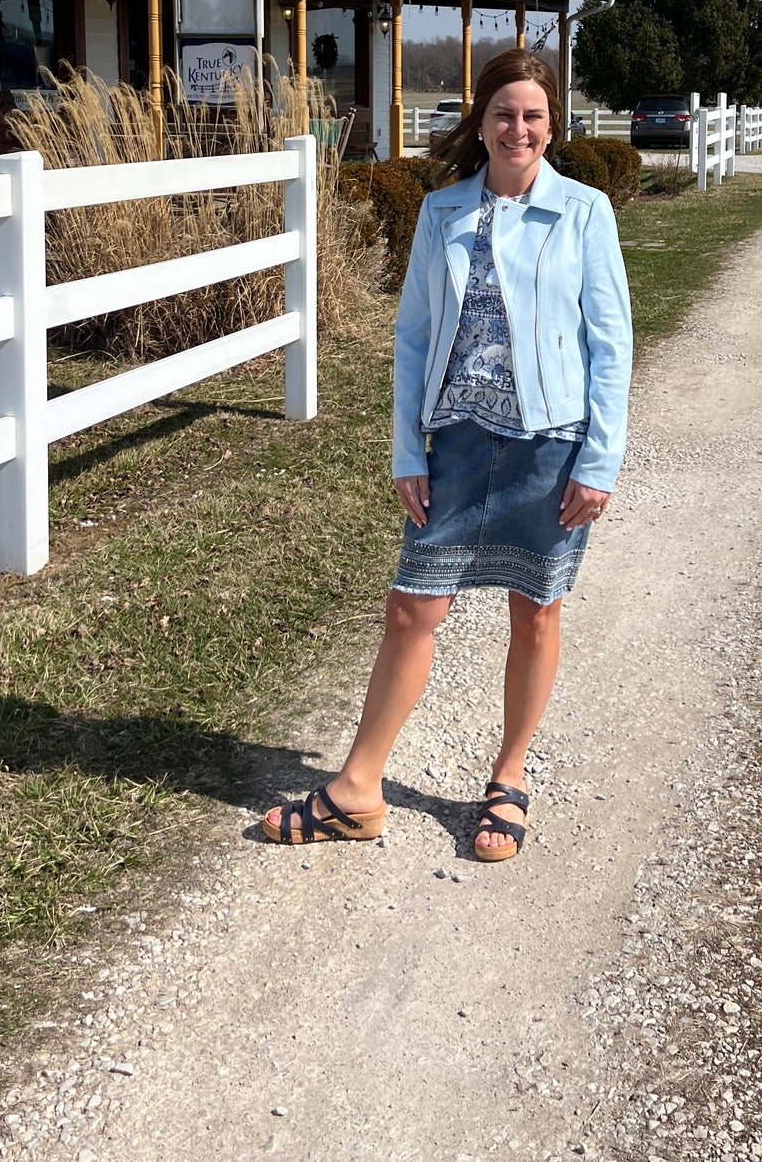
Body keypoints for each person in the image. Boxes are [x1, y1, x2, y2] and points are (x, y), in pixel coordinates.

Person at [263, 48, 632, 861]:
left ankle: (508, 777)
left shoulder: (583, 212)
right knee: (412, 607)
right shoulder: (442, 213)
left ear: (551, 123)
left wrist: (598, 462)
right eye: (503, 112)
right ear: (481, 120)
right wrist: (407, 450)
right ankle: (359, 789)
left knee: (534, 610)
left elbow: (611, 344)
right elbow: (414, 338)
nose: (518, 128)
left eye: (533, 114)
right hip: (457, 444)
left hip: (551, 444)